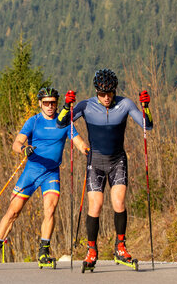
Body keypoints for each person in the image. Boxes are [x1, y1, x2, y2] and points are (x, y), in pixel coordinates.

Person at [0, 87, 89, 270]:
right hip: (31, 173)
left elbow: (79, 142)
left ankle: (43, 252)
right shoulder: (33, 122)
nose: (50, 106)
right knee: (13, 212)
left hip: (51, 173)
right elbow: (16, 143)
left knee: (50, 210)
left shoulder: (65, 123)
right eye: (46, 103)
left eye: (53, 103)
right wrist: (23, 149)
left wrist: (87, 152)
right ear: (40, 104)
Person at [56, 69, 152, 272]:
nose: (107, 97)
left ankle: (120, 247)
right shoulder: (86, 105)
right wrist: (66, 106)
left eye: (110, 93)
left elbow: (147, 126)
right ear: (96, 91)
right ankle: (91, 250)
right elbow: (61, 124)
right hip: (96, 161)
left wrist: (146, 107)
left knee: (119, 202)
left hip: (118, 161)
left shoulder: (125, 104)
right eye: (102, 93)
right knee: (96, 205)